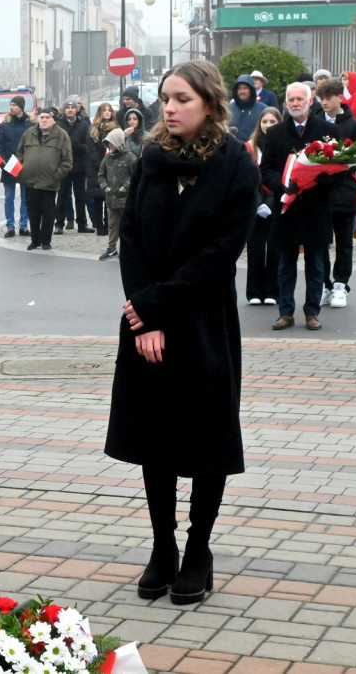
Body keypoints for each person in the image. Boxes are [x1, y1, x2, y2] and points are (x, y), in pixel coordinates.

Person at [106, 60, 259, 606]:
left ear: (210, 104)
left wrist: (152, 309)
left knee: (206, 438)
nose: (168, 108)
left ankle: (199, 549)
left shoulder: (235, 165)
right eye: (166, 98)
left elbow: (219, 255)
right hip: (145, 324)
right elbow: (133, 236)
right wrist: (143, 318)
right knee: (155, 439)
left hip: (201, 322)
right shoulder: (151, 157)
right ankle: (162, 547)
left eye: (181, 99)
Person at [261, 82, 339, 331]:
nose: (295, 103)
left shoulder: (326, 130)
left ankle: (311, 313)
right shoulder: (275, 133)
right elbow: (265, 170)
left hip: (316, 208)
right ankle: (285, 312)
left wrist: (314, 181)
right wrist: (283, 185)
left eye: (300, 99)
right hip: (287, 209)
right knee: (285, 264)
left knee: (316, 264)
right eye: (291, 100)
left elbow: (336, 170)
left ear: (310, 102)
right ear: (285, 103)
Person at [316, 78, 356, 308]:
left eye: (328, 98)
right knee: (321, 241)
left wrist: (344, 163)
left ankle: (340, 285)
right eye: (321, 98)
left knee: (344, 242)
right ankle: (324, 284)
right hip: (320, 191)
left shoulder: (354, 125)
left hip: (345, 190)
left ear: (339, 97)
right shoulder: (315, 121)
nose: (324, 102)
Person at [15, 106, 72, 251]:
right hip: (30, 181)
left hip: (49, 182)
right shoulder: (29, 133)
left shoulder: (62, 135)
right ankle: (35, 240)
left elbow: (67, 161)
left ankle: (46, 240)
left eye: (48, 118)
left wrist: (56, 175)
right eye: (42, 117)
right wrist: (21, 172)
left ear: (54, 121)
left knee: (48, 213)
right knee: (33, 213)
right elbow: (19, 154)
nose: (45, 120)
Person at [244, 107, 282, 306]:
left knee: (274, 249)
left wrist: (269, 202)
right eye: (265, 121)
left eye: (272, 121)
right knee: (255, 249)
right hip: (254, 206)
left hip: (275, 203)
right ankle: (254, 292)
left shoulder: (282, 146)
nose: (268, 125)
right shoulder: (249, 147)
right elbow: (248, 179)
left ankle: (272, 291)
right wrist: (258, 203)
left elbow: (282, 177)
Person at [0, 95, 33, 238]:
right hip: (9, 166)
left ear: (21, 107)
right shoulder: (5, 126)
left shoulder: (30, 125)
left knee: (26, 198)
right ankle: (10, 226)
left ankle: (23, 226)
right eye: (10, 105)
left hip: (25, 166)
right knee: (9, 198)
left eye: (14, 105)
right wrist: (4, 163)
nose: (11, 107)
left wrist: (29, 162)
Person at [96, 128, 136, 261]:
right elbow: (101, 175)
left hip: (125, 200)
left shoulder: (130, 157)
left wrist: (125, 187)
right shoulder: (107, 158)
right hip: (111, 199)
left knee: (126, 225)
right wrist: (105, 187)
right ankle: (111, 248)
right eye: (108, 143)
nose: (110, 145)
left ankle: (126, 249)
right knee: (112, 225)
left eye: (112, 142)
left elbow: (135, 175)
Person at [55, 99, 93, 234]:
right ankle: (59, 223)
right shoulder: (58, 124)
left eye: (72, 107)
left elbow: (88, 145)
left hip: (79, 166)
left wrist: (78, 147)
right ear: (64, 110)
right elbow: (55, 144)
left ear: (77, 110)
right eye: (67, 107)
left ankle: (82, 224)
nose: (70, 110)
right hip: (64, 166)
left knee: (80, 196)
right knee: (62, 195)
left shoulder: (84, 125)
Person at [87, 102, 120, 237]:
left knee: (109, 198)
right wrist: (100, 163)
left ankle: (108, 224)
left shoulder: (116, 128)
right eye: (104, 110)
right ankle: (99, 225)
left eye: (109, 110)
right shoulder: (94, 129)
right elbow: (91, 148)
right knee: (98, 198)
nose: (107, 112)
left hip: (113, 167)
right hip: (97, 167)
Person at [228, 75, 267, 142]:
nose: (242, 91)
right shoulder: (229, 109)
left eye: (245, 88)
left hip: (255, 149)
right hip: (233, 150)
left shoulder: (263, 109)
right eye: (239, 88)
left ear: (251, 90)